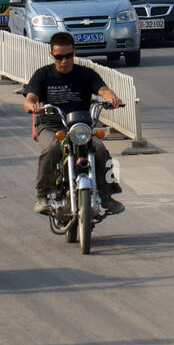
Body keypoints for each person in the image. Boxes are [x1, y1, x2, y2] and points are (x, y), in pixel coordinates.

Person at [24, 32, 125, 216]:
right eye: (59, 57)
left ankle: (107, 195)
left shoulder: (85, 73)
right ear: (52, 55)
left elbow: (103, 89)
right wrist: (32, 105)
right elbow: (30, 98)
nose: (64, 61)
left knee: (100, 150)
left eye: (68, 56)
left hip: (80, 127)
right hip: (51, 127)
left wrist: (112, 98)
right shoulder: (42, 75)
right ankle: (42, 195)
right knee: (52, 148)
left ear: (74, 53)